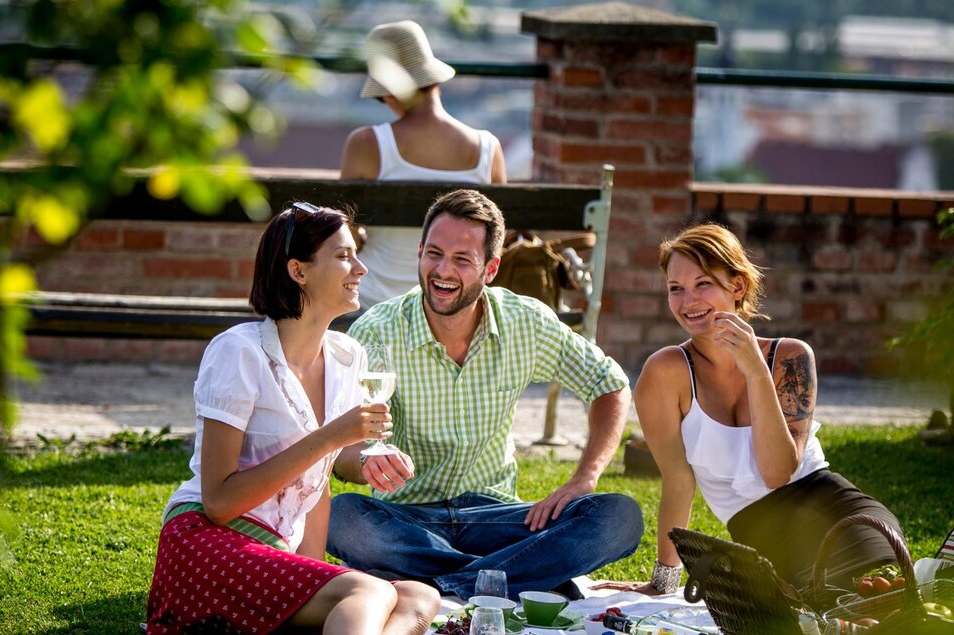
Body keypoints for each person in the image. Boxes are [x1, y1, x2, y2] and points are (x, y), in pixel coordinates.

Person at [597, 223, 954, 633]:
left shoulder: (789, 358)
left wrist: (752, 367)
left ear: (737, 286)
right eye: (675, 289)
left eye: (703, 284)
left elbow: (778, 470)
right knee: (849, 616)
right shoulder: (665, 373)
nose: (687, 301)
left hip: (835, 506)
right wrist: (662, 582)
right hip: (763, 535)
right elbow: (679, 481)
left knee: (872, 603)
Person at [326, 189, 643, 601]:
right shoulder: (378, 331)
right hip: (411, 520)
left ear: (491, 268)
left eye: (462, 260)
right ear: (419, 252)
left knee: (619, 517)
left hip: (504, 519)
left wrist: (585, 477)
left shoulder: (524, 323)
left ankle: (447, 584)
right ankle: (519, 575)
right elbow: (343, 454)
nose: (442, 271)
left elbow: (609, 383)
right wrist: (367, 461)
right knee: (344, 517)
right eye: (434, 253)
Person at [145, 202, 439, 634]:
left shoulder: (347, 356)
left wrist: (367, 460)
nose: (360, 268)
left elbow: (325, 474)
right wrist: (330, 437)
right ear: (298, 271)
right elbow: (219, 503)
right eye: (343, 256)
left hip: (275, 553)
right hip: (208, 541)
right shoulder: (239, 353)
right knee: (370, 593)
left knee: (420, 596)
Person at [341, 19, 507, 309]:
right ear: (435, 80)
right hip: (455, 303)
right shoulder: (488, 148)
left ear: (391, 91)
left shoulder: (367, 144)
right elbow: (497, 238)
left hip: (374, 300)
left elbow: (343, 235)